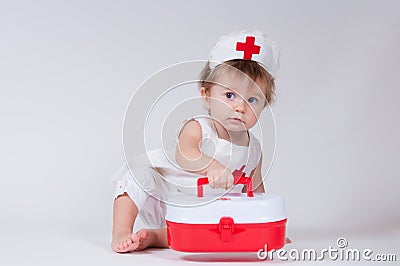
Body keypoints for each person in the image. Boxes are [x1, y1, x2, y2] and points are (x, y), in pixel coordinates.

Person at [111, 30, 286, 252]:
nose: (240, 107)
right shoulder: (198, 127)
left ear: (264, 106)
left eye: (252, 100)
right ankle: (121, 230)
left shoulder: (254, 150)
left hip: (205, 210)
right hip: (168, 197)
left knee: (208, 229)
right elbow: (184, 154)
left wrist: (266, 230)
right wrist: (212, 166)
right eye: (229, 95)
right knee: (138, 175)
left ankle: (157, 237)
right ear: (206, 95)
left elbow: (257, 191)